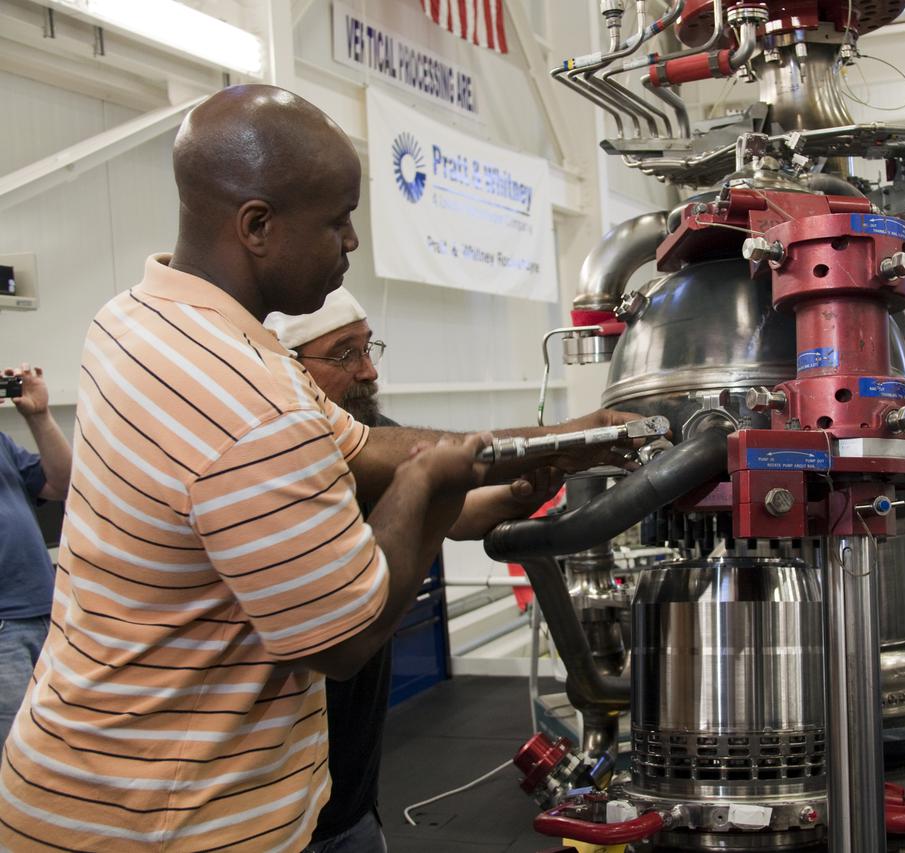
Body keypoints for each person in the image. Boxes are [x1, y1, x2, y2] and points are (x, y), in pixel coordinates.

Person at [0, 85, 632, 852]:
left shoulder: (138, 317)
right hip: (164, 823)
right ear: (257, 225)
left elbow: (364, 448)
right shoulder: (249, 399)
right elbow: (341, 638)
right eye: (336, 221)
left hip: (87, 782)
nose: (353, 242)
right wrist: (429, 483)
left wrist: (560, 439)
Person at [265, 287, 542, 853]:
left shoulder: (372, 429)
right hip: (277, 809)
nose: (368, 370)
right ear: (289, 368)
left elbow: (457, 514)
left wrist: (525, 489)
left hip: (355, 795)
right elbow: (335, 648)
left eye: (370, 348)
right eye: (345, 354)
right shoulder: (275, 461)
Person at [0, 364, 70, 738]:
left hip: (48, 615)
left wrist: (40, 416)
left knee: (56, 741)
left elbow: (62, 483)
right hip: (5, 628)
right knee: (11, 750)